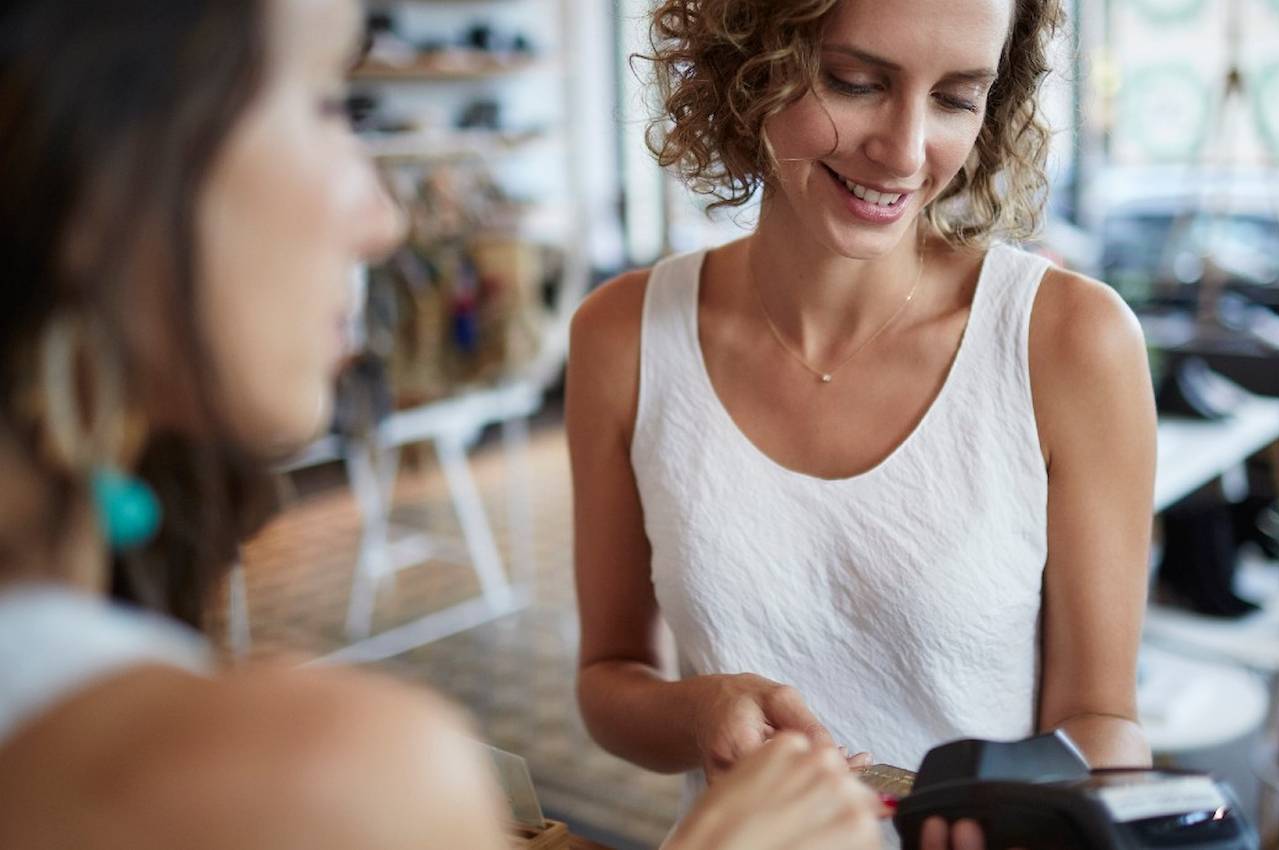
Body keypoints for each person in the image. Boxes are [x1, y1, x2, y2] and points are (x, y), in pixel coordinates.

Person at [0, 1, 881, 848]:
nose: (384, 217)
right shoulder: (317, 780)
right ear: (105, 158)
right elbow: (610, 673)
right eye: (324, 104)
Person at [569, 0, 1156, 844]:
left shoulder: (1069, 342)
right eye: (854, 82)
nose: (907, 150)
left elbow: (1100, 716)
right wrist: (697, 711)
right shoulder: (622, 334)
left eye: (957, 97)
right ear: (749, 63)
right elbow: (607, 682)